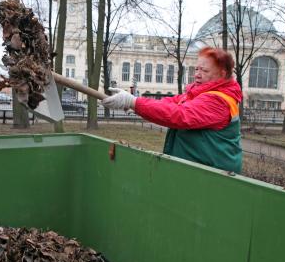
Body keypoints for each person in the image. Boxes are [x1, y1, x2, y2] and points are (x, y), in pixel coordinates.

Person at [102, 47, 243, 173]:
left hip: (212, 178)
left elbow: (179, 115)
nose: (197, 74)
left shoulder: (218, 101)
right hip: (197, 172)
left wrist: (134, 102)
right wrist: (136, 104)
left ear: (222, 74)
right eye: (196, 69)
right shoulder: (198, 93)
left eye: (204, 70)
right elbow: (169, 103)